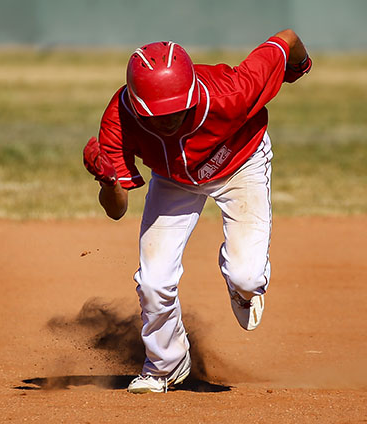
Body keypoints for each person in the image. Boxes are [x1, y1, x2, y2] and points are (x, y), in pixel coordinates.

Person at [83, 29, 312, 394]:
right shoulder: (119, 119)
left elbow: (285, 39)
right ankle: (164, 365)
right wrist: (108, 183)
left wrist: (300, 64)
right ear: (137, 105)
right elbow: (116, 212)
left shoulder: (232, 90)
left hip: (241, 163)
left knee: (248, 277)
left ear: (192, 93)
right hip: (174, 179)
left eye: (177, 110)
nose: (168, 120)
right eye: (156, 115)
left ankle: (242, 289)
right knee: (153, 282)